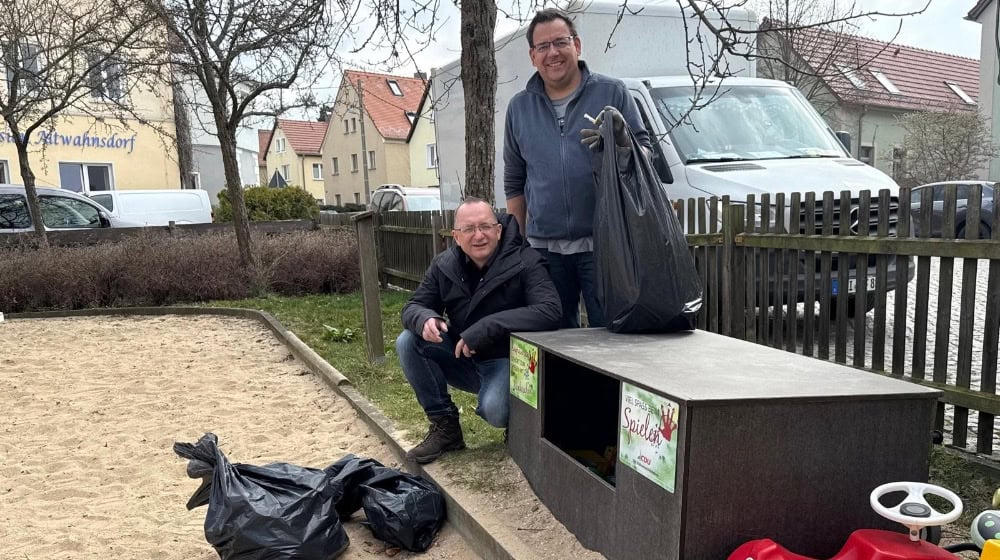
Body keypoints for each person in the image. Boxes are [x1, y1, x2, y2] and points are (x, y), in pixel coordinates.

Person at [504, 7, 652, 328]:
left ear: (577, 45)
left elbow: (645, 154)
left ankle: (607, 382)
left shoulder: (611, 93)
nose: (552, 53)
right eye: (543, 47)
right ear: (532, 56)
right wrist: (518, 249)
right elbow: (514, 182)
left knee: (613, 334)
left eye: (560, 42)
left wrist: (620, 141)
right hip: (545, 252)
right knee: (555, 342)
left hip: (606, 246)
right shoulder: (519, 108)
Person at [397, 198, 561, 464]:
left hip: (510, 361)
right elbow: (414, 305)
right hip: (465, 358)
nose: (479, 235)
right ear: (456, 236)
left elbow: (550, 310)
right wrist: (425, 318)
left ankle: (521, 426)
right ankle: (445, 426)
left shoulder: (525, 259)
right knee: (408, 342)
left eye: (485, 226)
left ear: (498, 230)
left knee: (495, 411)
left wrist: (486, 328)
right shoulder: (444, 265)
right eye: (469, 229)